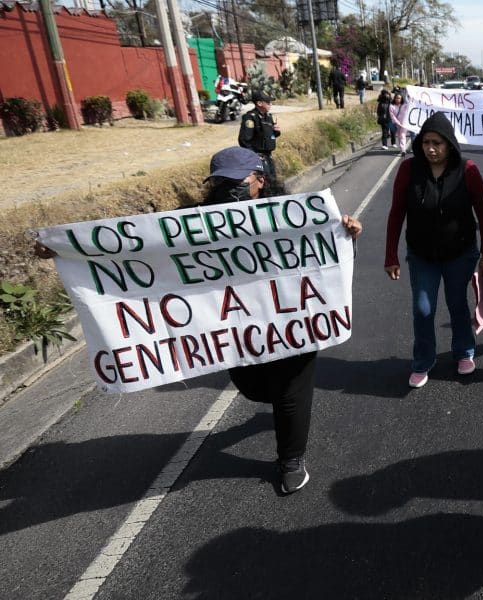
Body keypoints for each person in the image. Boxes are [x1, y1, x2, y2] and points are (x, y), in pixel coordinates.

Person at [33, 146, 364, 495]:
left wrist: (348, 233)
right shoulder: (192, 224)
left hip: (291, 322)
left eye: (235, 182)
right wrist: (66, 250)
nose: (225, 190)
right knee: (252, 387)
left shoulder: (291, 217)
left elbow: (326, 257)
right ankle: (278, 417)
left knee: (290, 391)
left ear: (260, 181)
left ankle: (290, 460)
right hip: (240, 330)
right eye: (219, 183)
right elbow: (136, 247)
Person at [384, 112, 483, 388]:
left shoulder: (468, 171)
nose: (431, 149)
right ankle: (423, 361)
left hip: (460, 253)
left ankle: (464, 351)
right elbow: (397, 212)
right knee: (423, 309)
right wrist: (391, 255)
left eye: (437, 143)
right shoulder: (409, 170)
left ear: (450, 144)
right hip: (422, 255)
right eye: (425, 142)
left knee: (457, 304)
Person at [238, 90, 280, 181]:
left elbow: (267, 134)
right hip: (258, 157)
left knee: (273, 180)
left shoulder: (268, 116)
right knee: (265, 182)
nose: (270, 104)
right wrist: (255, 157)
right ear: (259, 103)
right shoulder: (250, 117)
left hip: (268, 155)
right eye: (268, 102)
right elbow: (244, 140)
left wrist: (276, 131)